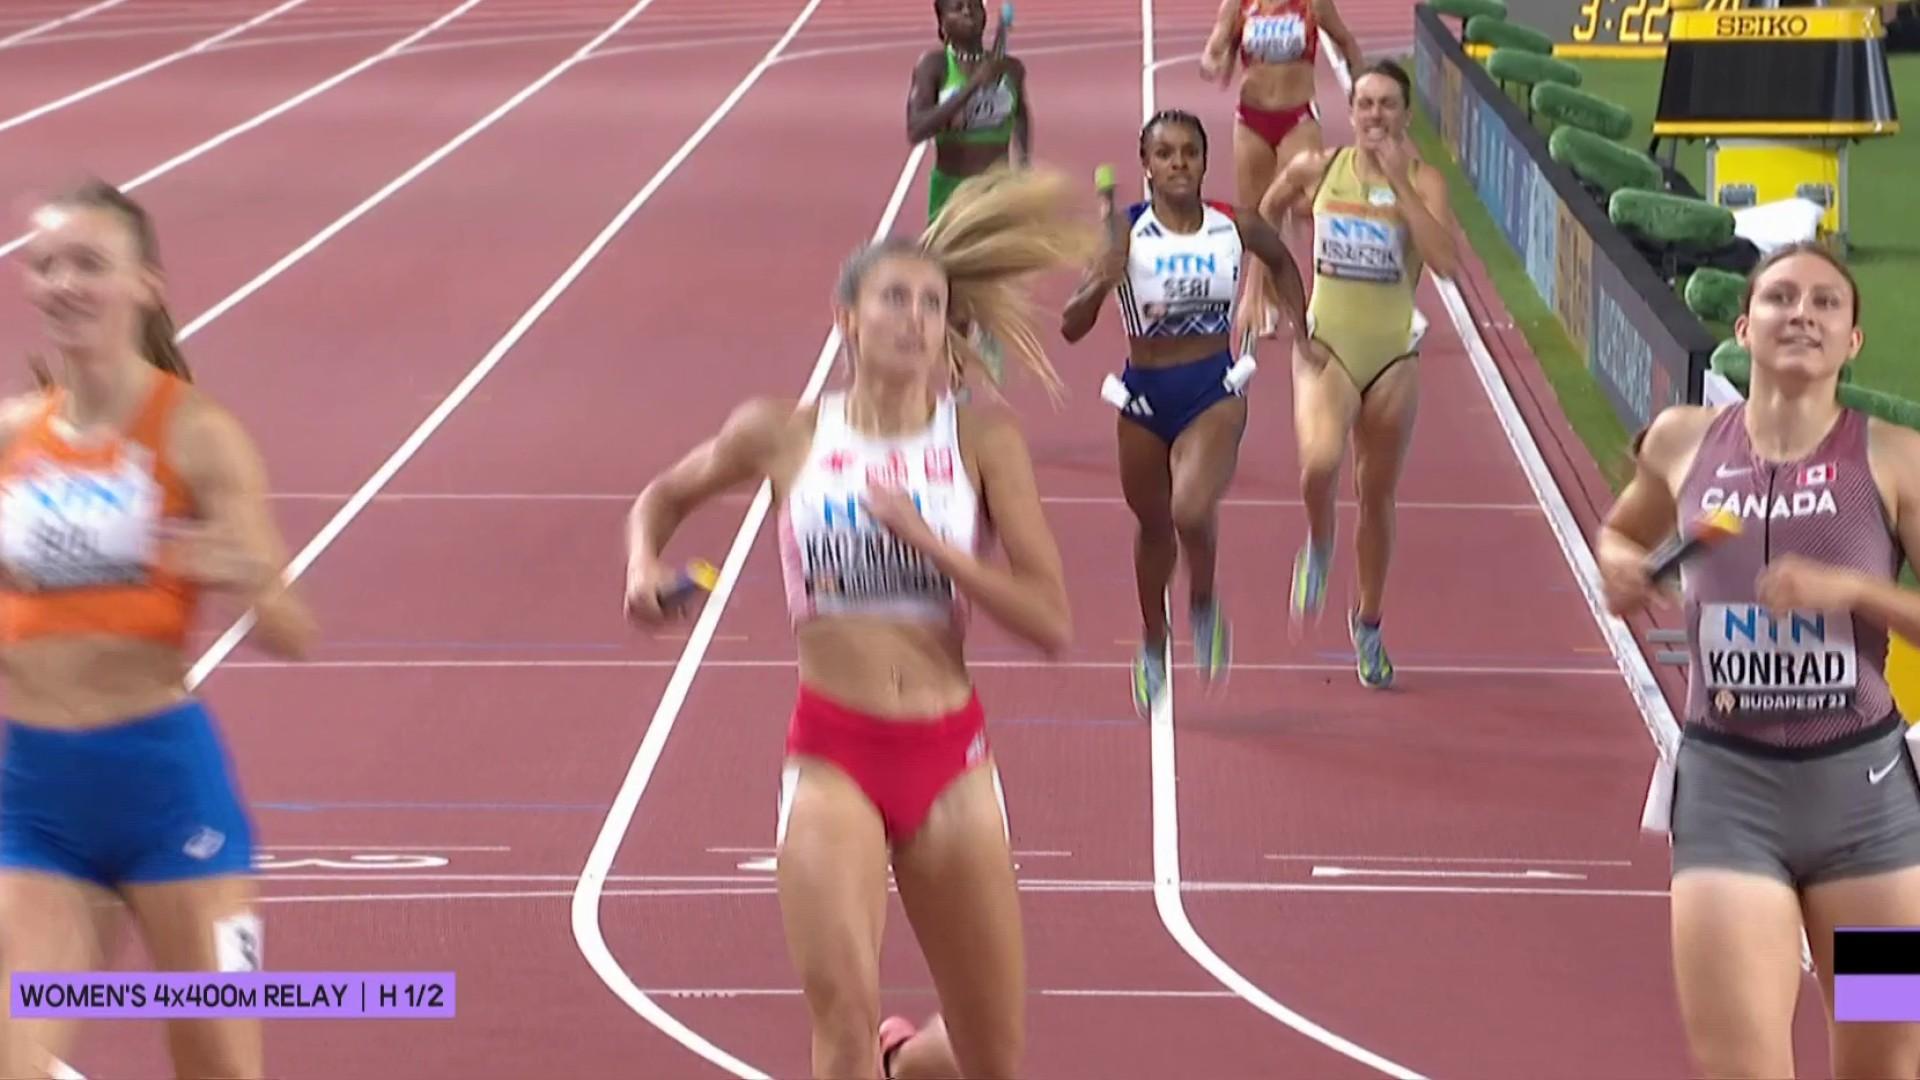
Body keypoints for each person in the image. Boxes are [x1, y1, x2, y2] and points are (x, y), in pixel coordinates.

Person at [624, 166, 1091, 1080]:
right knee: (840, 1016)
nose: (914, 317)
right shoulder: (786, 434)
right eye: (893, 299)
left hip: (949, 754)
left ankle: (906, 1064)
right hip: (833, 751)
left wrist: (934, 543)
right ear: (847, 319)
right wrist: (644, 564)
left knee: (992, 1059)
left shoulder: (981, 442)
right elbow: (663, 496)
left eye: (930, 302)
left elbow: (1052, 619)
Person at [0, 179, 318, 1078]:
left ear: (146, 285)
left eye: (88, 264)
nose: (62, 282)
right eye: (45, 263)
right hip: (35, 799)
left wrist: (244, 573)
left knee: (219, 1065)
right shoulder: (11, 436)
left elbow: (295, 629)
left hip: (168, 800)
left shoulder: (199, 434)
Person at [1598, 243, 1920, 1079]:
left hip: (1872, 820)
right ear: (1744, 328)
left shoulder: (1894, 458)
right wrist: (1620, 569)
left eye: (1825, 303)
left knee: (1887, 1060)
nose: (1802, 314)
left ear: (1853, 340)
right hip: (1729, 802)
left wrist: (1852, 589)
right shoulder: (1682, 440)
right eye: (1780, 298)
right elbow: (1622, 533)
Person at [1059, 109, 1311, 716]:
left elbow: (1279, 260)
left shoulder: (1234, 223)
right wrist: (1100, 283)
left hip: (1212, 389)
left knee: (1191, 508)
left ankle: (1201, 600)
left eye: (1188, 153)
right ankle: (1152, 640)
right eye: (1164, 153)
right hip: (1144, 396)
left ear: (1203, 161)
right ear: (1145, 165)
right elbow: (1070, 328)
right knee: (1153, 529)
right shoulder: (1122, 232)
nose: (1177, 163)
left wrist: (1301, 328)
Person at [1255, 59, 1457, 689]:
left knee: (1376, 494)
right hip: (1328, 344)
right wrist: (1259, 284)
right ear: (1350, 111)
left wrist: (1399, 186)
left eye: (1387, 104)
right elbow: (1264, 212)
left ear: (1404, 114)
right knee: (1318, 464)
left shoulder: (1424, 181)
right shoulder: (1319, 168)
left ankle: (1368, 624)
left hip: (1393, 353)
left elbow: (1446, 263)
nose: (1375, 115)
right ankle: (1319, 542)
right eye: (1365, 104)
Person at [1201, 0, 1363, 336]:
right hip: (1251, 120)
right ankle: (1269, 301)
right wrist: (1212, 60)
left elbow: (1345, 40)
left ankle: (1335, 293)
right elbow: (1216, 43)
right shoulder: (1240, 4)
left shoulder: (1311, 3)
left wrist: (1362, 89)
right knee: (1255, 216)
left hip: (1297, 118)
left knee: (1313, 203)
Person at [907, 0, 1031, 391]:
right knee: (952, 297)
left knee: (992, 282)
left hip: (994, 194)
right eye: (955, 8)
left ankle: (988, 332)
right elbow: (916, 128)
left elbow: (1022, 116)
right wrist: (973, 85)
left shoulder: (1010, 68)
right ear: (941, 24)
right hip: (951, 195)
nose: (968, 13)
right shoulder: (935, 67)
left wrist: (1023, 167)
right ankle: (957, 386)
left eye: (973, 5)